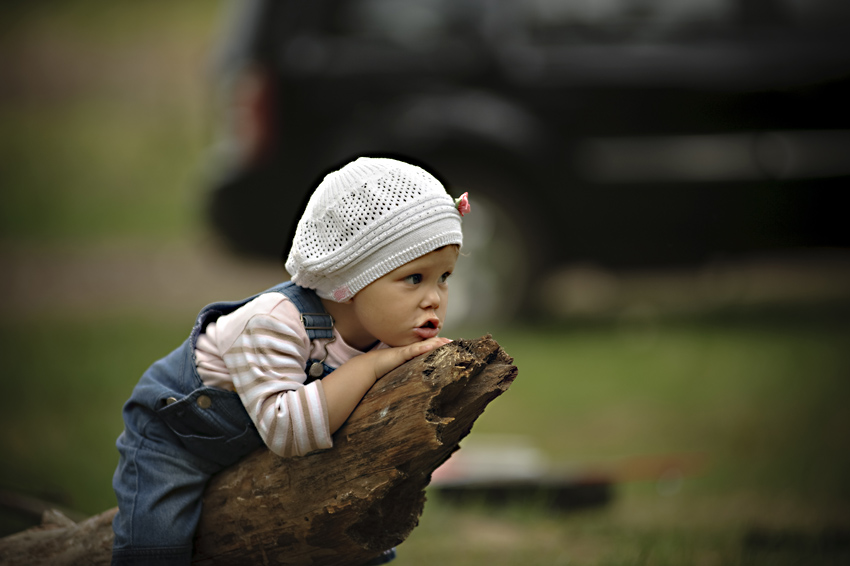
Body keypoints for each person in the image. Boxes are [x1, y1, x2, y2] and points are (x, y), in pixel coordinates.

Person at [110, 156, 469, 565]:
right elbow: (285, 430)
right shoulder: (275, 323)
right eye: (414, 279)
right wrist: (370, 367)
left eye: (444, 277)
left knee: (356, 535)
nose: (434, 297)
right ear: (349, 282)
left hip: (281, 443)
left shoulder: (388, 335)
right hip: (181, 435)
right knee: (157, 547)